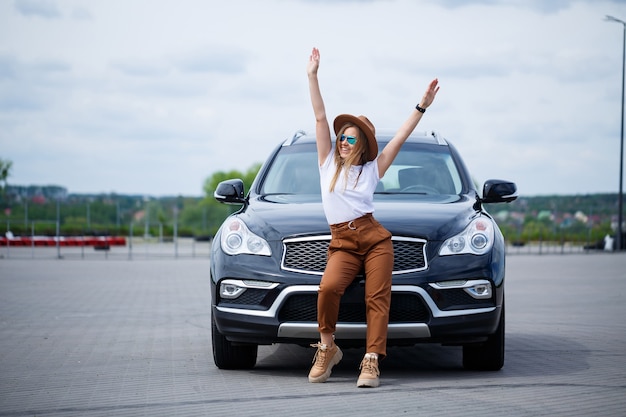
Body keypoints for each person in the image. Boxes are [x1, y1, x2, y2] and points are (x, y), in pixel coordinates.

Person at [306, 47, 439, 388]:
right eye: (342, 137)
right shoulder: (327, 166)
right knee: (328, 288)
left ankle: (371, 360)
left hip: (375, 240)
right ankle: (327, 347)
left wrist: (421, 105)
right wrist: (313, 76)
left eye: (351, 138)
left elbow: (400, 137)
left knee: (376, 298)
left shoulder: (371, 170)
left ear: (363, 145)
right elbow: (321, 118)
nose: (344, 142)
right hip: (343, 243)